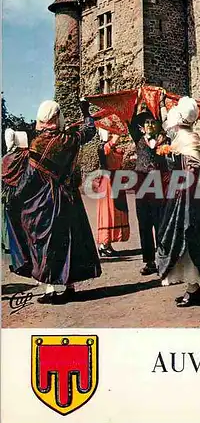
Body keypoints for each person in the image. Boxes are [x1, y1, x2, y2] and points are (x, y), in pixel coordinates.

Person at [6, 98, 101, 304]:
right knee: (69, 241)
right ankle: (68, 286)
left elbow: (30, 177)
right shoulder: (69, 139)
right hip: (69, 198)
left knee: (48, 243)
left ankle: (52, 289)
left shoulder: (39, 143)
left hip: (47, 200)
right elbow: (90, 130)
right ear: (56, 117)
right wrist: (85, 110)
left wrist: (16, 197)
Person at [156, 97, 200, 307]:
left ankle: (192, 288)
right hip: (182, 193)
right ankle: (192, 287)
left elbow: (194, 169)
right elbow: (166, 125)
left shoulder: (188, 139)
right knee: (179, 237)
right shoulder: (183, 135)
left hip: (187, 195)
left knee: (187, 237)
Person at [128, 109, 169, 275]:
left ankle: (162, 259)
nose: (150, 125)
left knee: (160, 222)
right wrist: (137, 101)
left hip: (158, 185)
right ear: (142, 127)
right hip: (141, 184)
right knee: (144, 224)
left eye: (153, 122)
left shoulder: (164, 140)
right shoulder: (138, 139)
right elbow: (131, 123)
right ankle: (149, 261)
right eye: (147, 123)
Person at [96, 128, 130, 257]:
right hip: (108, 182)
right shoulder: (103, 148)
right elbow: (106, 150)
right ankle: (103, 244)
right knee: (108, 212)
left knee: (116, 211)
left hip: (117, 180)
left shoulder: (112, 148)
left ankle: (108, 243)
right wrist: (116, 135)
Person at [2, 129, 29, 253]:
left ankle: (9, 245)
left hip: (6, 192)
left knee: (7, 220)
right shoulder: (25, 156)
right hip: (21, 190)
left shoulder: (5, 158)